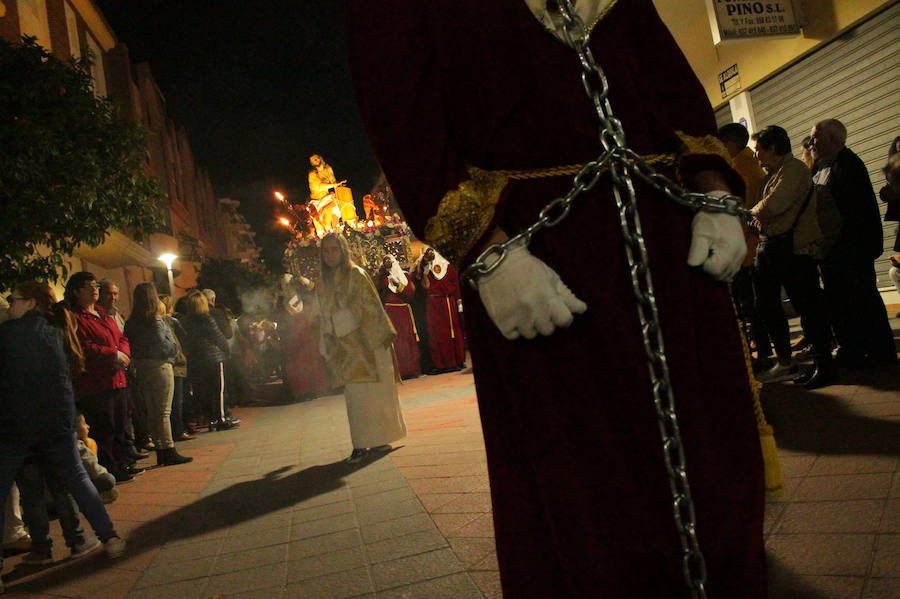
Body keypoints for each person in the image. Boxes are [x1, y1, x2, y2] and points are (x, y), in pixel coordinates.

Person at [347, 2, 764, 596]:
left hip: (673, 238)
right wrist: (487, 251)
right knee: (587, 492)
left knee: (714, 462)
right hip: (538, 255)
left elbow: (671, 83)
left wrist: (715, 189)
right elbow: (402, 119)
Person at [1, 282, 126, 592]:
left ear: (29, 303)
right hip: (57, 423)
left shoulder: (7, 335)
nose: (9, 304)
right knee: (77, 480)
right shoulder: (60, 333)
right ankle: (109, 536)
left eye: (12, 299)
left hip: (15, 425)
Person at [750, 125, 836, 388]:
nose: (756, 156)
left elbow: (771, 207)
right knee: (766, 304)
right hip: (775, 249)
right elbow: (761, 215)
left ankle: (825, 366)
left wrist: (757, 213)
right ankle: (787, 361)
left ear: (772, 149)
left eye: (759, 150)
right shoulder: (775, 174)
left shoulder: (794, 170)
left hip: (796, 250)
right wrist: (759, 214)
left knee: (808, 307)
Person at [810, 119, 896, 367]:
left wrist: (835, 244)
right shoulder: (824, 165)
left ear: (833, 140)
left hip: (851, 249)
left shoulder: (847, 165)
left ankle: (881, 354)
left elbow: (851, 212)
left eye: (816, 137)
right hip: (835, 250)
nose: (812, 142)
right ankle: (854, 350)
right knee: (843, 303)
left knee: (863, 300)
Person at [316, 233, 406, 463]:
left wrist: (338, 321)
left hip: (368, 343)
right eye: (326, 251)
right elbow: (323, 311)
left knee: (375, 394)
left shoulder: (356, 274)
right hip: (345, 348)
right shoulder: (323, 280)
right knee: (355, 398)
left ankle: (378, 440)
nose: (330, 255)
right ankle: (360, 444)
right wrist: (325, 332)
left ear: (343, 250)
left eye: (334, 250)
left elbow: (369, 306)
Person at [65, 272, 139, 483]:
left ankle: (122, 462)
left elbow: (121, 337)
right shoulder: (76, 318)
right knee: (103, 426)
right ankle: (110, 468)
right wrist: (112, 354)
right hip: (97, 383)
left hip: (117, 377)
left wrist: (123, 353)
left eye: (96, 285)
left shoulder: (102, 313)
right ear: (77, 291)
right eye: (89, 286)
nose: (95, 289)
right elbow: (84, 347)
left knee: (119, 423)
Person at [719, 122, 772, 366]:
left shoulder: (742, 170)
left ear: (730, 143)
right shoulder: (744, 166)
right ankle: (761, 351)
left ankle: (762, 354)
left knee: (750, 308)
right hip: (747, 247)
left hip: (745, 249)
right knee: (752, 307)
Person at [124, 283, 192, 466]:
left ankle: (161, 449)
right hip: (160, 366)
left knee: (152, 412)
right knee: (163, 411)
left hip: (142, 367)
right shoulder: (155, 319)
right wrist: (173, 350)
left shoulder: (131, 322)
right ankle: (168, 449)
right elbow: (164, 343)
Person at [181, 292, 237, 431]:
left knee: (204, 390)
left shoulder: (185, 321)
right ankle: (222, 419)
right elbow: (219, 337)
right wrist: (227, 351)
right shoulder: (207, 318)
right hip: (214, 358)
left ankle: (210, 419)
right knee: (218, 389)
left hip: (196, 360)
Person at [413, 247, 466, 373]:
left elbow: (456, 284)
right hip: (433, 303)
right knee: (436, 334)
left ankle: (456, 361)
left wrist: (459, 301)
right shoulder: (426, 268)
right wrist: (425, 262)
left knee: (452, 332)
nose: (430, 254)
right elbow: (418, 277)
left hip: (448, 302)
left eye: (432, 251)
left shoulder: (448, 266)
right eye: (427, 252)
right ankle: (441, 364)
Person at [278, 274, 330, 400]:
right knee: (298, 365)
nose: (288, 287)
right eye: (286, 285)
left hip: (306, 335)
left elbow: (316, 291)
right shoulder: (281, 302)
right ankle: (302, 391)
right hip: (293, 338)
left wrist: (305, 281)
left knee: (311, 361)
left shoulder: (303, 296)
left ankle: (314, 389)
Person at [376, 255, 422, 378]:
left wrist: (398, 284)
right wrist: (382, 275)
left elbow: (410, 293)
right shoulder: (382, 278)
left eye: (389, 260)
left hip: (403, 310)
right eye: (384, 260)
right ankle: (399, 371)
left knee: (407, 339)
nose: (387, 262)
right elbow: (380, 292)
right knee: (395, 341)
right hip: (390, 311)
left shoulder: (405, 276)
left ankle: (411, 369)